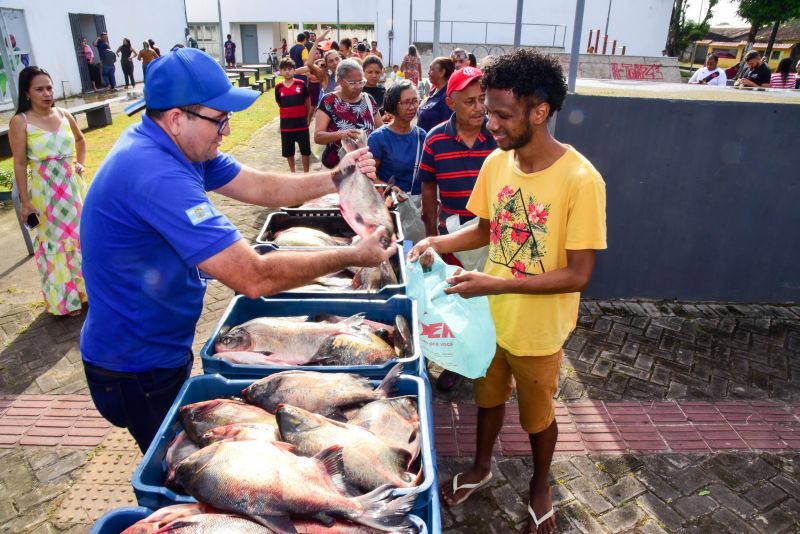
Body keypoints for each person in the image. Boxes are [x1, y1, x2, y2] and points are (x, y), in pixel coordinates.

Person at [79, 48, 394, 453]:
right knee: (178, 459)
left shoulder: (178, 145)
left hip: (157, 346)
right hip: (135, 364)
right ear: (177, 118)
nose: (225, 131)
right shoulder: (156, 173)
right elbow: (253, 275)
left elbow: (263, 186)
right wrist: (352, 255)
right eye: (220, 119)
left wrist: (338, 176)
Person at [408, 49, 606, 534]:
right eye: (487, 110)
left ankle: (541, 483)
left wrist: (497, 283)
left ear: (539, 112)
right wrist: (436, 240)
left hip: (538, 328)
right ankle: (481, 467)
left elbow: (579, 274)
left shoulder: (581, 180)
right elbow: (485, 230)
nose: (489, 122)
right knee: (488, 396)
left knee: (538, 413)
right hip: (491, 315)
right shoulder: (498, 163)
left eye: (501, 113)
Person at [419, 66, 497, 392]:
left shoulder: (497, 138)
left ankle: (472, 361)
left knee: (483, 299)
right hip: (451, 231)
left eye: (482, 100)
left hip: (490, 233)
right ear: (451, 102)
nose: (479, 108)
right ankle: (451, 358)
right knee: (454, 296)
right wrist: (430, 232)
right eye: (470, 101)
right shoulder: (435, 138)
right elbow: (427, 188)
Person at [9, 66, 88, 317]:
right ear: (27, 93)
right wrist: (25, 201)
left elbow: (80, 140)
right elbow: (20, 163)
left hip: (71, 187)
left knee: (80, 238)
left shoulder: (64, 114)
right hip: (45, 193)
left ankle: (87, 291)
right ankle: (65, 301)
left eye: (49, 87)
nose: (46, 93)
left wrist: (80, 163)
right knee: (54, 245)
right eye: (39, 89)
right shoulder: (20, 121)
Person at [368, 80, 426, 211]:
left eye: (415, 101)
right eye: (406, 102)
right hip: (388, 206)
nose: (412, 107)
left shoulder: (422, 136)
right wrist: (390, 190)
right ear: (394, 105)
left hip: (417, 206)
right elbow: (368, 176)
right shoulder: (378, 138)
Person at [315, 59, 384, 169]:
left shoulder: (368, 99)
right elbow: (318, 137)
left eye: (361, 82)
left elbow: (381, 130)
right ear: (340, 81)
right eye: (352, 83)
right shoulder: (329, 101)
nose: (358, 86)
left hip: (363, 166)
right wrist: (342, 134)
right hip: (336, 167)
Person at [275, 58, 311, 173]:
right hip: (287, 126)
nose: (287, 72)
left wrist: (307, 117)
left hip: (301, 124)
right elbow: (279, 103)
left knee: (305, 151)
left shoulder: (301, 84)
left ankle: (306, 173)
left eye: (290, 69)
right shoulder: (278, 87)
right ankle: (293, 173)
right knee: (289, 152)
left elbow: (308, 102)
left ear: (294, 70)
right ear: (280, 71)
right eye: (284, 69)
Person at [417, 57, 455, 132]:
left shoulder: (447, 97)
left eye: (432, 69)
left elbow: (447, 127)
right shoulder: (433, 92)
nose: (428, 72)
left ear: (442, 72)